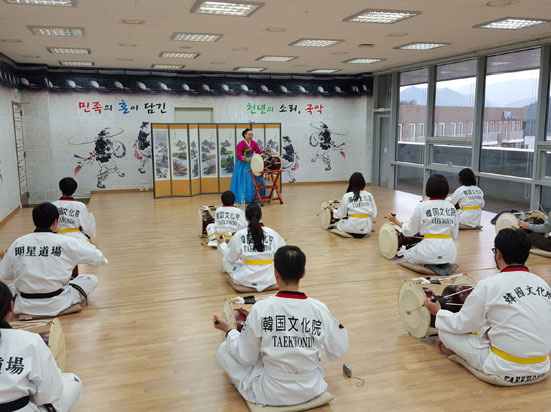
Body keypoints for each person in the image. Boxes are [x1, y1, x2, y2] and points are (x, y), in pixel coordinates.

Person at [213, 245, 349, 406]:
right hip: (311, 388)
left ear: (275, 273)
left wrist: (229, 331)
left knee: (224, 350)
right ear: (303, 273)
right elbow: (338, 350)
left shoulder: (261, 309)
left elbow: (246, 356)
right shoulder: (319, 308)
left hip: (271, 393)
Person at [424, 229, 551, 383]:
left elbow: (462, 325)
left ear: (498, 254)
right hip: (541, 365)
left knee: (445, 332)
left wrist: (438, 312)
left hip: (503, 367)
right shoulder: (542, 283)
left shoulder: (488, 285)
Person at [0, 202, 108, 317]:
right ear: (55, 222)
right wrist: (73, 258)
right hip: (57, 303)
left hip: (25, 305)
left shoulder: (19, 242)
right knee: (91, 279)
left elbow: (6, 274)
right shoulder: (67, 242)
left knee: (11, 287)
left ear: (34, 221)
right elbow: (99, 258)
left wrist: (5, 258)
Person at [0, 282, 83, 411]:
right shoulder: (29, 341)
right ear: (11, 307)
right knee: (72, 380)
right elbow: (49, 394)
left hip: (28, 302)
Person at [386, 174, 458, 266]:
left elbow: (409, 231)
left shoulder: (422, 206)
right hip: (450, 253)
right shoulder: (452, 208)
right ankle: (442, 265)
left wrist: (395, 221)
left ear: (428, 188)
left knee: (406, 255)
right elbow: (454, 235)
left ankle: (428, 268)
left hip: (429, 251)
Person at [218, 203, 285, 292]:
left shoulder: (240, 234)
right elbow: (283, 255)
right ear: (260, 216)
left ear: (245, 217)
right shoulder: (272, 233)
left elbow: (231, 258)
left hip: (246, 278)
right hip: (270, 278)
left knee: (225, 260)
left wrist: (222, 244)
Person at [328, 172, 377, 238]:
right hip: (366, 228)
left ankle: (351, 231)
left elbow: (340, 215)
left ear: (351, 183)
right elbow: (374, 214)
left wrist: (332, 209)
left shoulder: (347, 196)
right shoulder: (369, 195)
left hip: (352, 226)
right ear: (363, 183)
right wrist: (368, 224)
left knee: (339, 223)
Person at [52, 177, 96, 244]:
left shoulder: (52, 205)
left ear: (60, 188)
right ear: (75, 190)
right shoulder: (80, 206)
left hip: (57, 239)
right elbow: (88, 228)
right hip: (77, 239)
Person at [229, 128, 265, 204]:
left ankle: (256, 197)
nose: (251, 136)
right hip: (243, 164)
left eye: (252, 134)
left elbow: (258, 151)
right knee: (245, 179)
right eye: (249, 134)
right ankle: (244, 198)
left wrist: (264, 152)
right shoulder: (240, 144)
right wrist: (245, 158)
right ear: (245, 135)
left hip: (252, 162)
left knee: (256, 178)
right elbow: (239, 155)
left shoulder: (254, 143)